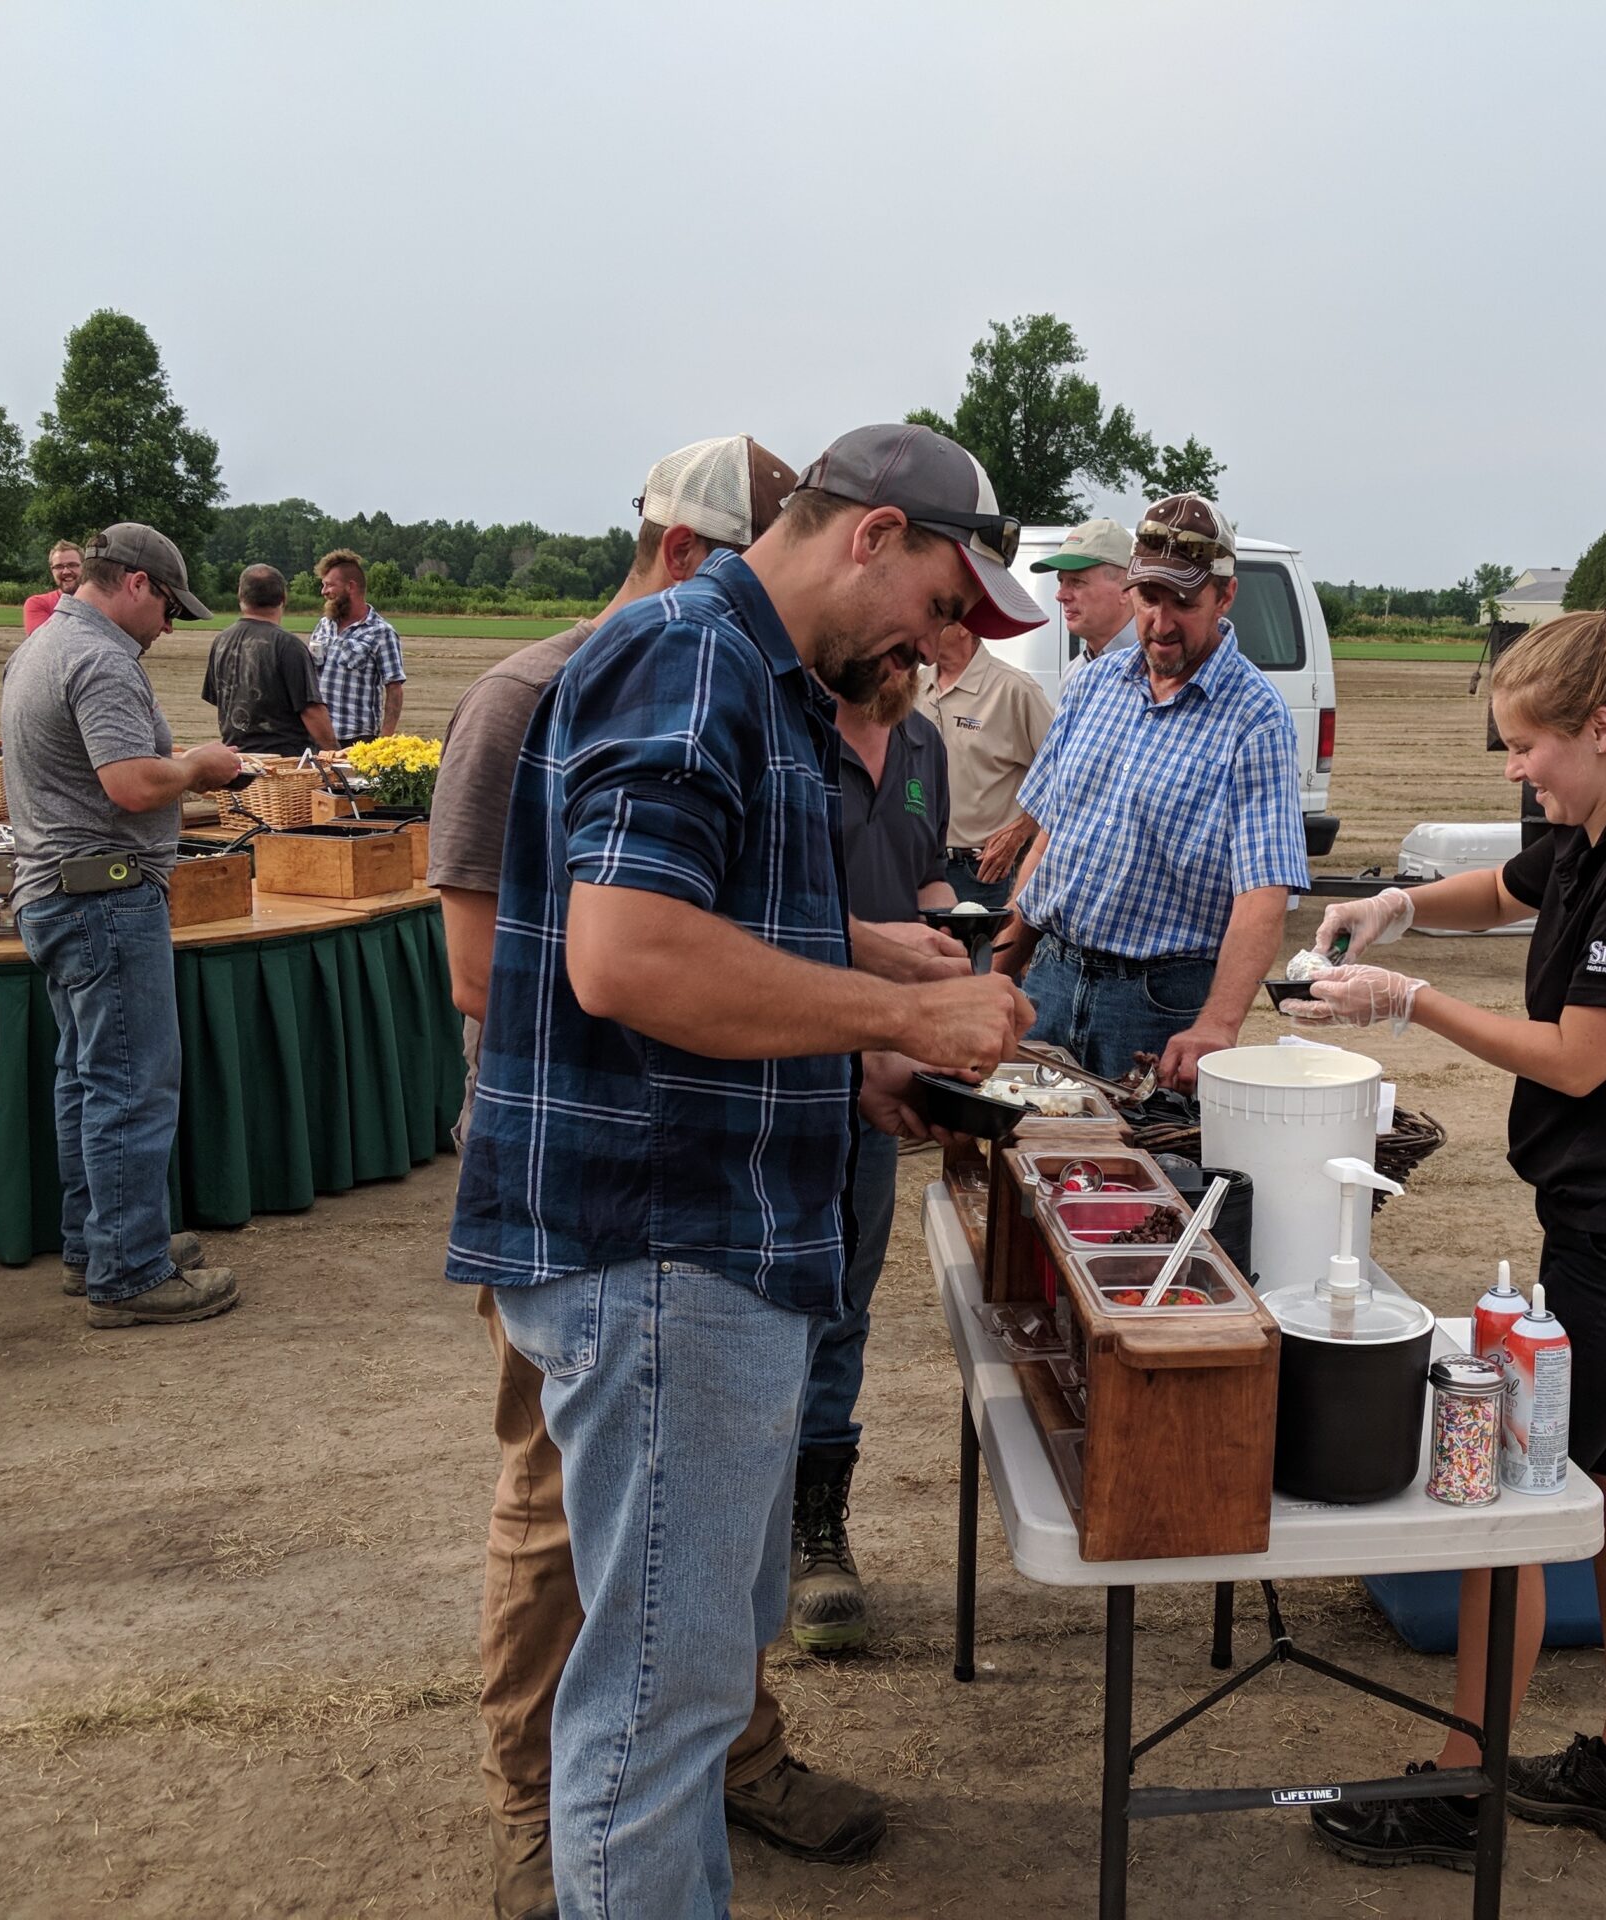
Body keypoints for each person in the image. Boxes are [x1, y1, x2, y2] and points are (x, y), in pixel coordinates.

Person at [446, 422, 1043, 1920]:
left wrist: (861, 1039)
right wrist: (906, 1007)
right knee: (656, 1712)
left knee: (678, 1691)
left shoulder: (753, 679)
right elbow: (628, 954)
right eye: (948, 600)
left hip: (697, 1238)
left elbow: (697, 921)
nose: (946, 640)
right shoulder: (695, 660)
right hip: (666, 1248)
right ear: (874, 534)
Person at [1293, 596, 1606, 1868]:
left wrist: (1407, 999)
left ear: (1601, 728)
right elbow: (1499, 887)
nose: (1515, 769)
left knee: (1504, 1495)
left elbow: (1580, 1060)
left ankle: (1459, 1783)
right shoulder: (1599, 832)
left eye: (1528, 745)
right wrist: (1396, 908)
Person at [0, 525, 244, 1329]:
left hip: (57, 895)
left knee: (87, 1078)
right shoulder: (99, 658)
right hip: (102, 897)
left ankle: (98, 1245)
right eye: (171, 607)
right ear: (136, 584)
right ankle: (131, 1274)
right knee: (131, 1085)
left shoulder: (44, 644)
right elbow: (134, 786)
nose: (171, 627)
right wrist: (200, 769)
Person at [995, 494, 1307, 1087]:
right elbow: (1048, 844)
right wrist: (1001, 971)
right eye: (1148, 598)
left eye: (1184, 603)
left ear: (1225, 596)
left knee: (1144, 1173)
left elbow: (1261, 894)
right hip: (1052, 982)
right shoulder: (1093, 687)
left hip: (1160, 1004)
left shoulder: (1256, 718)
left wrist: (1218, 1022)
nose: (1161, 623)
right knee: (1029, 1160)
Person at [790, 632, 961, 1660]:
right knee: (761, 1309)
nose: (916, 660)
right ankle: (748, 1527)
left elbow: (924, 872)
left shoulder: (925, 746)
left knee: (844, 1301)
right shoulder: (783, 737)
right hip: (777, 1064)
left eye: (927, 646)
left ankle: (820, 1530)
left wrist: (957, 940)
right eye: (900, 640)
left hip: (882, 1074)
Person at [915, 618, 1051, 909]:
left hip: (982, 873)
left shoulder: (1014, 689)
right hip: (916, 868)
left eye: (936, 615)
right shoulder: (913, 686)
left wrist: (1020, 831)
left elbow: (1065, 771)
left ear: (966, 624)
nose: (921, 623)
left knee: (977, 956)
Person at [202, 564, 337, 755]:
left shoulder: (221, 641)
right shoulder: (289, 645)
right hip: (285, 765)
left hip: (237, 760)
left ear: (241, 595)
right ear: (284, 597)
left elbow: (221, 698)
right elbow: (311, 711)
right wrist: (335, 753)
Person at [309, 548, 404, 742]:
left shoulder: (381, 632)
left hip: (355, 740)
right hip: (318, 737)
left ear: (350, 587)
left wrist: (384, 741)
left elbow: (394, 689)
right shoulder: (323, 625)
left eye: (329, 585)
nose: (323, 591)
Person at [1032, 516, 1137, 685]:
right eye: (1061, 581)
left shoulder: (1162, 666)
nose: (1060, 595)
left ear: (1126, 587)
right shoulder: (1074, 674)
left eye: (1077, 582)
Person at [23, 539, 84, 634]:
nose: (66, 571)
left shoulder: (102, 602)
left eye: (72, 565)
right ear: (52, 571)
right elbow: (44, 642)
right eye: (59, 567)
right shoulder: (39, 604)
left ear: (84, 567)